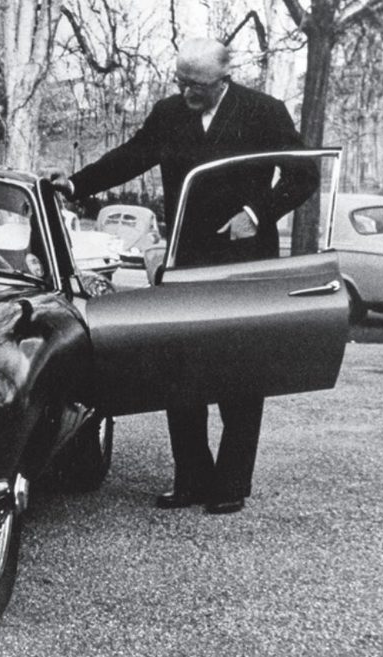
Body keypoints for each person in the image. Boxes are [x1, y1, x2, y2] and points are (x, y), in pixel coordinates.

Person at [54, 37, 318, 514]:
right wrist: (76, 184)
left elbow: (304, 177)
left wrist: (257, 214)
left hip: (245, 262)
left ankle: (231, 483)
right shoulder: (169, 113)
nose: (185, 92)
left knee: (240, 372)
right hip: (186, 258)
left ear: (223, 80)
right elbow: (131, 156)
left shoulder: (264, 112)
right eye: (180, 82)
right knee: (180, 368)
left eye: (195, 84)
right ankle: (191, 477)